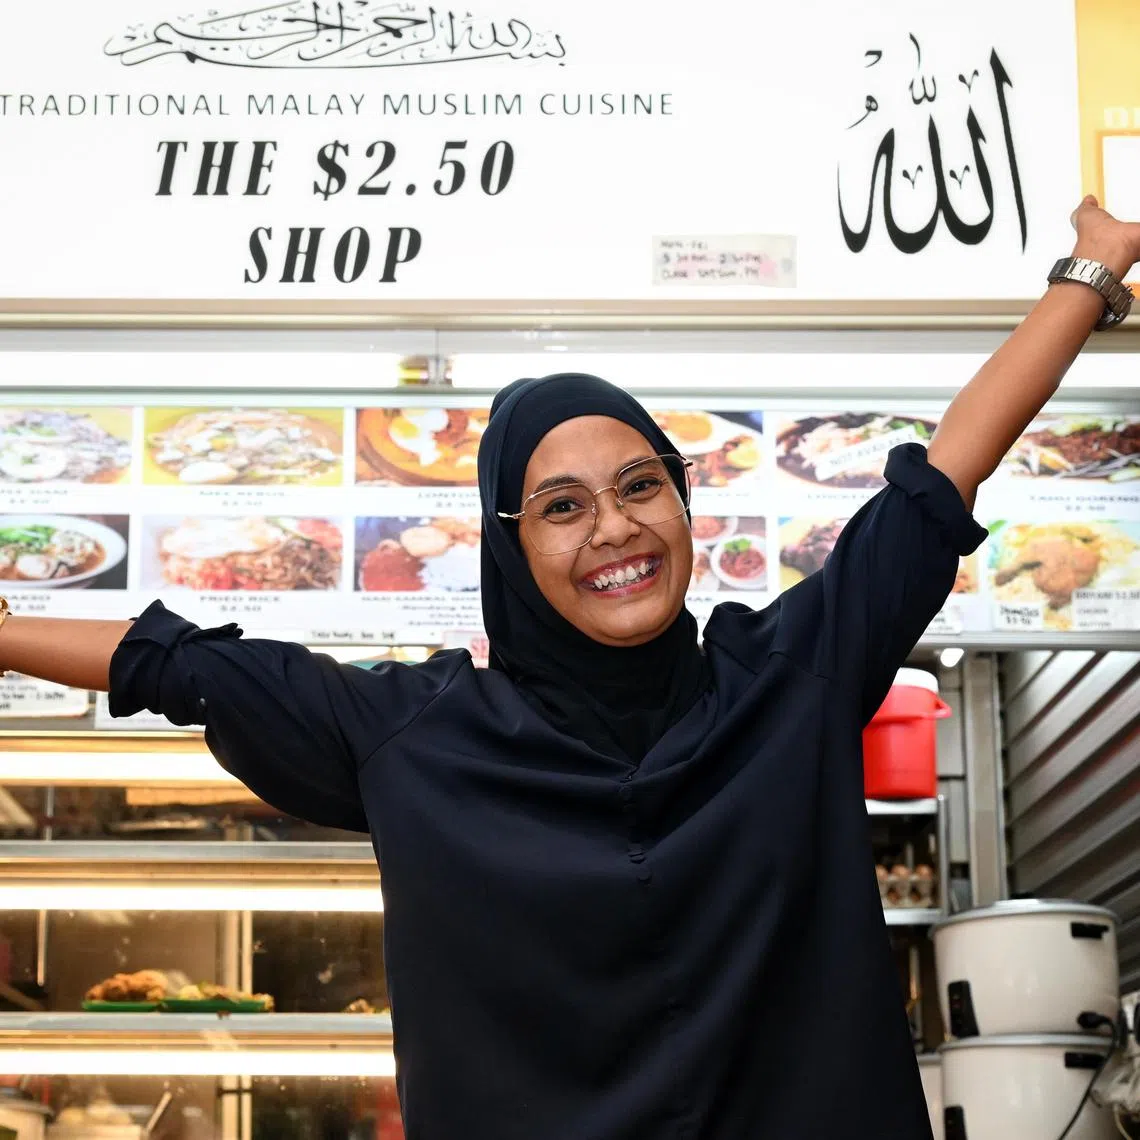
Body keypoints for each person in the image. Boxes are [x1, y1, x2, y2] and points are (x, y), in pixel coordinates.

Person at [1, 196, 1136, 1139]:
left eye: (641, 485)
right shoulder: (416, 732)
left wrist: (1091, 267)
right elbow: (178, 664)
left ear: (683, 504)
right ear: (509, 546)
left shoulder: (793, 675)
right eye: (561, 506)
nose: (614, 529)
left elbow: (941, 479)